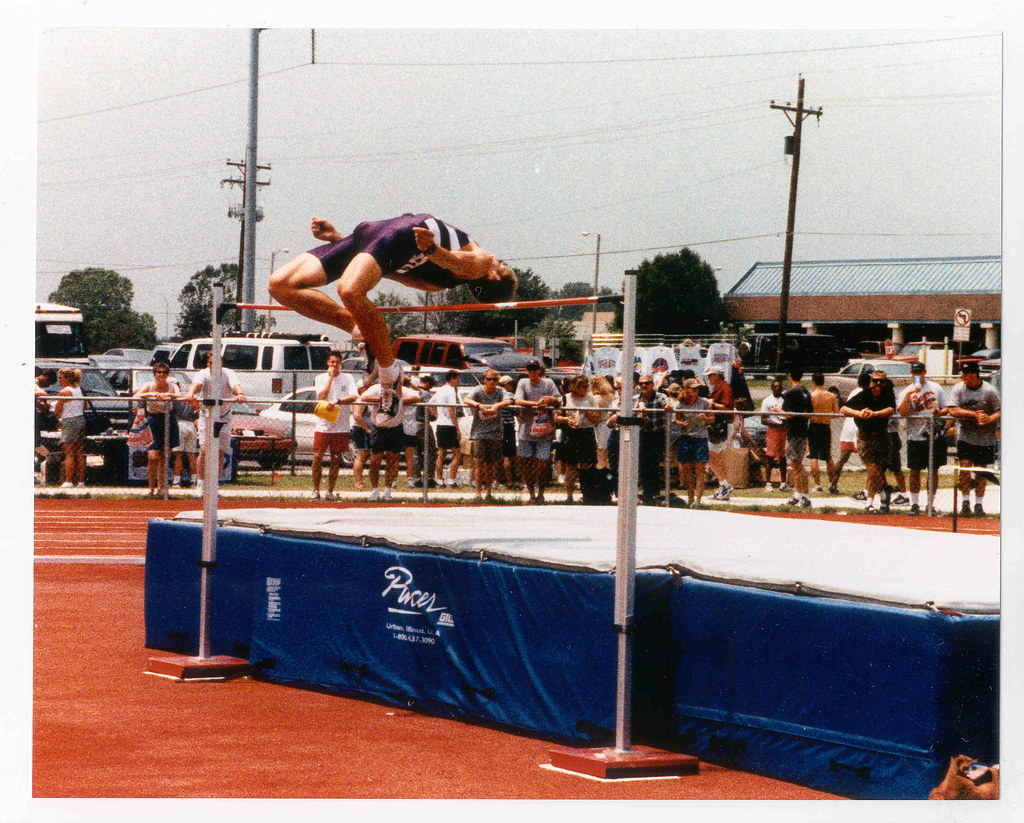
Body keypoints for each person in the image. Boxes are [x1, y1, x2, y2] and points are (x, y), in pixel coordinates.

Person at [268, 214, 516, 394]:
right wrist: (340, 240)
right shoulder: (438, 281)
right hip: (386, 235)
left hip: (387, 237)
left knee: (334, 289)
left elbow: (456, 262)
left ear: (494, 276)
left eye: (500, 265)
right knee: (284, 285)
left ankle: (385, 368)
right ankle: (372, 348)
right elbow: (382, 267)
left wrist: (432, 249)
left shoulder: (480, 264)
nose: (495, 258)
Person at [186, 352, 247, 495]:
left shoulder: (228, 373)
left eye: (217, 362)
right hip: (206, 415)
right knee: (204, 450)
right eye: (211, 362)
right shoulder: (203, 373)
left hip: (223, 417)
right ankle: (200, 485)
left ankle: (213, 486)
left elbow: (235, 385)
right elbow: (196, 385)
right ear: (208, 364)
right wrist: (190, 393)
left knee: (220, 452)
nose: (214, 365)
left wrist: (239, 394)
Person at [353, 378, 421, 501]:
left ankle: (388, 490)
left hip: (395, 428)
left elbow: (417, 398)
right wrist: (380, 400)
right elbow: (363, 398)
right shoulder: (375, 389)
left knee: (392, 460)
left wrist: (396, 401)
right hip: (379, 428)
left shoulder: (401, 391)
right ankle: (374, 490)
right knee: (374, 461)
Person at [947, 361, 1001, 516]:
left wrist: (989, 419)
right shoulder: (959, 388)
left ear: (974, 374)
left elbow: (999, 411)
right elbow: (952, 410)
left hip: (985, 436)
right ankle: (965, 501)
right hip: (965, 433)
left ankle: (978, 503)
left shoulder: (989, 391)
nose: (963, 377)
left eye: (965, 373)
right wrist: (973, 414)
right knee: (965, 466)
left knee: (981, 469)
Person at [840, 369, 896, 513]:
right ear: (870, 382)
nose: (878, 384)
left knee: (878, 470)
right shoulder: (863, 395)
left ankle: (875, 501)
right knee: (872, 470)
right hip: (865, 436)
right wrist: (859, 413)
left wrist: (875, 414)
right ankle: (881, 496)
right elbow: (844, 408)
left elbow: (891, 409)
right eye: (875, 381)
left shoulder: (888, 394)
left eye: (881, 381)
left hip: (881, 435)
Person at [897, 361, 948, 515]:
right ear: (911, 374)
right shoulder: (906, 391)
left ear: (924, 372)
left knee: (933, 471)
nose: (917, 375)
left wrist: (938, 413)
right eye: (914, 372)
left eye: (920, 372)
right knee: (915, 471)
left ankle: (930, 504)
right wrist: (909, 394)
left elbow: (946, 408)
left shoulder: (936, 388)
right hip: (915, 435)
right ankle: (914, 504)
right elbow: (902, 412)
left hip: (934, 435)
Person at [311, 349, 359, 501]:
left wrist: (338, 401)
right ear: (327, 363)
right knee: (318, 456)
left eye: (337, 362)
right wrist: (330, 379)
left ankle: (330, 491)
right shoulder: (320, 378)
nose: (334, 365)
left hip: (340, 424)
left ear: (340, 364)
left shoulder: (348, 377)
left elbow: (353, 396)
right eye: (332, 362)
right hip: (324, 424)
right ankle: (315, 490)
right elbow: (322, 396)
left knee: (335, 457)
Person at [514, 359, 561, 503]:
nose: (533, 372)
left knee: (542, 463)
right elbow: (517, 401)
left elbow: (559, 401)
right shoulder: (523, 382)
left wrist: (550, 400)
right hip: (527, 428)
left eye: (535, 369)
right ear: (526, 370)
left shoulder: (548, 383)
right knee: (525, 462)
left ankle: (541, 493)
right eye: (530, 369)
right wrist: (536, 404)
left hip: (544, 429)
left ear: (540, 370)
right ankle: (531, 494)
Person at [462, 369, 513, 500]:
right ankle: (478, 492)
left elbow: (508, 401)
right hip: (480, 432)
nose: (492, 382)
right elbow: (466, 399)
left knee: (491, 464)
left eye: (495, 380)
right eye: (489, 379)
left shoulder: (500, 391)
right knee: (479, 463)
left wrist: (497, 406)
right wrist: (479, 405)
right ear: (484, 380)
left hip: (495, 432)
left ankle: (489, 492)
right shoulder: (478, 390)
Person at [133, 362, 182, 497]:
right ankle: (151, 489)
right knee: (152, 457)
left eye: (164, 372)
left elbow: (179, 395)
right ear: (154, 374)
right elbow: (136, 396)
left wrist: (167, 395)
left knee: (165, 457)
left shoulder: (172, 386)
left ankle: (161, 488)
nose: (161, 375)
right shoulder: (149, 385)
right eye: (159, 372)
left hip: (168, 419)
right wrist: (152, 394)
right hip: (153, 420)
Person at [552, 374, 600, 504]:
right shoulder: (565, 398)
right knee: (570, 466)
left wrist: (587, 412)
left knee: (587, 464)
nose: (586, 389)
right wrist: (567, 419)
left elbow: (597, 419)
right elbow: (557, 417)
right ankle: (569, 496)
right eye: (583, 387)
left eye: (587, 386)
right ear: (576, 387)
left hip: (586, 432)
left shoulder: (590, 398)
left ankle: (587, 494)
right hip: (571, 433)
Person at [673, 378, 714, 506]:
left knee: (699, 470)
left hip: (700, 438)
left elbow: (712, 418)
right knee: (687, 471)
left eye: (697, 388)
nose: (696, 390)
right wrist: (683, 424)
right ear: (687, 389)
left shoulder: (704, 403)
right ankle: (690, 497)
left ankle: (698, 500)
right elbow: (677, 420)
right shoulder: (681, 404)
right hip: (686, 437)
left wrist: (706, 418)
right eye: (693, 388)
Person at [781, 367, 813, 508]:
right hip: (802, 429)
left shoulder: (791, 392)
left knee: (797, 465)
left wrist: (778, 410)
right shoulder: (806, 391)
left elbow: (788, 413)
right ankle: (797, 494)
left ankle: (805, 496)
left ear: (789, 376)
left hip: (794, 431)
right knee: (796, 464)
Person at [429, 369, 464, 489]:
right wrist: (457, 428)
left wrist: (437, 416)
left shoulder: (440, 390)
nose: (458, 381)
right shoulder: (450, 391)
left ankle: (439, 480)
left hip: (440, 425)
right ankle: (451, 480)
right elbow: (451, 410)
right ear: (452, 378)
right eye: (457, 378)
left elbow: (430, 404)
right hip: (449, 425)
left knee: (441, 453)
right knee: (457, 454)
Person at [704, 366, 735, 500]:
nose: (709, 378)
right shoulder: (717, 389)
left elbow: (728, 408)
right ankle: (722, 485)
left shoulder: (725, 389)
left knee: (709, 455)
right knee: (716, 457)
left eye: (711, 376)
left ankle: (725, 484)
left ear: (717, 375)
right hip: (716, 425)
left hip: (723, 425)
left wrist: (711, 404)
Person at [52, 368, 86, 488]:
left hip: (70, 421)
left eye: (60, 378)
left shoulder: (64, 391)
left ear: (68, 378)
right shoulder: (79, 389)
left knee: (69, 454)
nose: (59, 380)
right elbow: (85, 405)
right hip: (81, 419)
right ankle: (81, 482)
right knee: (79, 453)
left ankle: (69, 481)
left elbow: (57, 411)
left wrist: (56, 419)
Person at [808, 372, 839, 493]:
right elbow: (836, 413)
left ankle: (818, 486)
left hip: (814, 426)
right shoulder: (831, 396)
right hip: (825, 426)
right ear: (823, 382)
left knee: (813, 456)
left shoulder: (812, 396)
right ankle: (832, 484)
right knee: (827, 457)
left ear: (813, 382)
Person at [759, 377, 788, 490]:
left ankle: (783, 483)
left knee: (783, 456)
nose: (777, 388)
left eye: (779, 387)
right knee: (770, 456)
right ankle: (768, 483)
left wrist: (784, 422)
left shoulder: (785, 400)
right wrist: (775, 423)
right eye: (775, 387)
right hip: (773, 430)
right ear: (771, 388)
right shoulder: (767, 401)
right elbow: (763, 419)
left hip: (783, 430)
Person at [589, 375, 616, 470]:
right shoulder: (610, 396)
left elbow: (596, 415)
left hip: (600, 425)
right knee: (607, 450)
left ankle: (601, 470)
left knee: (601, 451)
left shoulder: (596, 398)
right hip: (608, 424)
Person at [498, 375, 519, 487]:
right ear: (506, 385)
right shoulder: (510, 396)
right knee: (508, 455)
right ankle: (509, 481)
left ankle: (497, 480)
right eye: (510, 384)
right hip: (508, 426)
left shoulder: (496, 395)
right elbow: (517, 412)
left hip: (497, 427)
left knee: (498, 455)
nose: (512, 386)